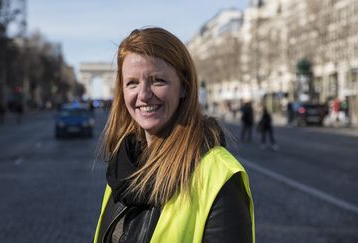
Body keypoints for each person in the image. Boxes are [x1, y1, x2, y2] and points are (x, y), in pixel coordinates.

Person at [93, 27, 254, 243]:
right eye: (132, 83)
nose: (144, 95)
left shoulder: (220, 177)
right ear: (121, 92)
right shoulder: (121, 168)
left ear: (184, 87)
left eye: (158, 80)